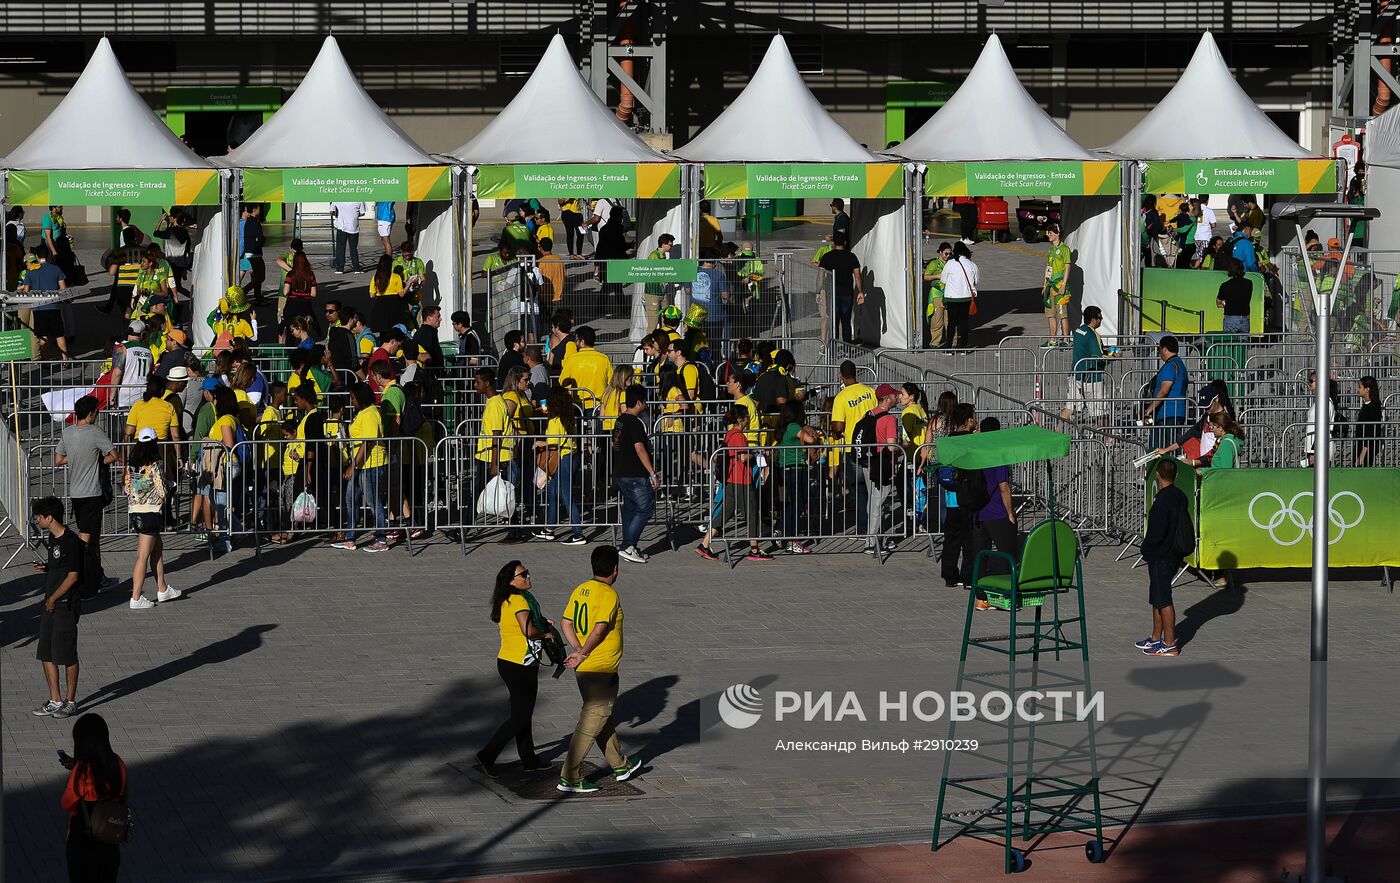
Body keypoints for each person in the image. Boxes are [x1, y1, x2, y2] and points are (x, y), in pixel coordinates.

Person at [558, 545, 641, 794]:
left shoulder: (581, 589)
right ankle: (570, 775)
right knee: (593, 720)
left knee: (603, 715)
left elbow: (566, 622)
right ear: (615, 569)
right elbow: (600, 629)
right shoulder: (608, 594)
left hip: (584, 668)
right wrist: (583, 652)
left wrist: (576, 649)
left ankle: (619, 764)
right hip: (600, 667)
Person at [476, 561, 557, 776]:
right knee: (520, 717)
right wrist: (545, 633)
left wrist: (541, 621)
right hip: (521, 666)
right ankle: (487, 756)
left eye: (528, 572)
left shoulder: (508, 599)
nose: (528, 577)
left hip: (511, 662)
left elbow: (526, 622)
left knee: (523, 713)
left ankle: (529, 759)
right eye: (523, 574)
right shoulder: (520, 601)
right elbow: (528, 631)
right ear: (511, 581)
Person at [56, 396, 118, 598]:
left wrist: (76, 458)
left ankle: (97, 575)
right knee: (87, 539)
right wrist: (99, 461)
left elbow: (58, 459)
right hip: (92, 493)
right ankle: (84, 579)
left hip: (76, 493)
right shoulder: (94, 432)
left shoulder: (68, 432)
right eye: (96, 413)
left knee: (90, 537)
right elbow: (114, 455)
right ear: (91, 414)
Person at [695, 406, 771, 562]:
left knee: (724, 514)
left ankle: (704, 544)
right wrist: (755, 452)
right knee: (751, 514)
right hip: (741, 479)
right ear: (740, 419)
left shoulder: (729, 434)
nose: (749, 420)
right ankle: (754, 549)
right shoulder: (739, 436)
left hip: (731, 479)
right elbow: (743, 457)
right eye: (747, 417)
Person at [31, 496, 84, 720]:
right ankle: (55, 699)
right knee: (46, 652)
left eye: (39, 517)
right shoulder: (53, 539)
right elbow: (58, 566)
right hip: (49, 603)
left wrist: (53, 599)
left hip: (64, 605)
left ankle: (70, 702)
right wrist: (46, 567)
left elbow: (73, 577)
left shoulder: (71, 542)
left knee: (67, 655)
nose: (37, 520)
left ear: (49, 518)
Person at [60, 712, 127, 882]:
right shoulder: (117, 762)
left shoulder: (81, 771)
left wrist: (75, 771)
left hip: (83, 842)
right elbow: (122, 792)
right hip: (110, 838)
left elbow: (66, 803)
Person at [124, 429, 181, 609]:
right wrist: (169, 486)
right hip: (150, 512)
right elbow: (161, 490)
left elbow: (126, 487)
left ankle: (163, 588)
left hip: (135, 510)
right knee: (143, 556)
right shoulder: (155, 464)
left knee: (157, 549)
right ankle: (136, 597)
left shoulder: (131, 464)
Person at [332, 383, 390, 553]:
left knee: (373, 501)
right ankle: (350, 538)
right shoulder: (362, 414)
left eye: (353, 397)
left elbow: (368, 441)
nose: (352, 400)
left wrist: (352, 465)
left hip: (371, 464)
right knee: (351, 499)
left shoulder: (371, 413)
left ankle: (381, 539)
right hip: (360, 464)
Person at [1139, 458, 1186, 657]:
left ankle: (1169, 643)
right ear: (1176, 476)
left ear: (1157, 475)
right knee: (1156, 596)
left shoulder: (1162, 501)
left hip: (1162, 554)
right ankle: (1156, 637)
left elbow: (1157, 532)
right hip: (1173, 552)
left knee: (1164, 598)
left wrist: (1146, 549)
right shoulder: (1179, 495)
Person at [969, 417, 1017, 611]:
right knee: (1007, 555)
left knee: (980, 556)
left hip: (977, 512)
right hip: (996, 511)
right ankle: (1004, 598)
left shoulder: (974, 452)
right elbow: (1003, 487)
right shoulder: (997, 454)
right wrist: (1010, 512)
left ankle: (981, 598)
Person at [829, 360, 876, 536]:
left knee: (858, 489)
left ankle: (863, 528)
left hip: (853, 448)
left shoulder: (841, 397)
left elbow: (839, 427)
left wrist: (834, 431)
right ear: (856, 373)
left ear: (841, 375)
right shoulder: (870, 392)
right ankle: (874, 527)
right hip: (872, 446)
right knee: (874, 489)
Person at [612, 385, 658, 564]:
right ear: (639, 402)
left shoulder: (620, 420)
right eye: (645, 400)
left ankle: (628, 546)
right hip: (634, 473)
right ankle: (628, 545)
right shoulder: (634, 422)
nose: (646, 403)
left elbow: (614, 444)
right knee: (645, 508)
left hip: (622, 472)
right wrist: (652, 472)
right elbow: (640, 448)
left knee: (630, 510)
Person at [536, 385, 586, 545]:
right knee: (552, 492)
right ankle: (549, 528)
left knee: (567, 496)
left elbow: (553, 442)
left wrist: (539, 442)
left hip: (564, 459)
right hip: (573, 457)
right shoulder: (569, 418)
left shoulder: (555, 421)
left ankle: (578, 533)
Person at [938, 403, 979, 588]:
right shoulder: (971, 440)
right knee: (969, 539)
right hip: (968, 497)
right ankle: (968, 576)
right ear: (969, 419)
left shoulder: (948, 439)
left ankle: (949, 575)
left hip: (951, 497)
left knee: (951, 538)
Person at [859, 384, 901, 555]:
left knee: (873, 501)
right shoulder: (889, 419)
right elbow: (891, 447)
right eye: (894, 395)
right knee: (879, 501)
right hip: (882, 465)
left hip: (868, 463)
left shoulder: (869, 414)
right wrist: (902, 447)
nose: (897, 397)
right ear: (887, 398)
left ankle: (877, 538)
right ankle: (872, 542)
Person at [19, 243, 72, 360]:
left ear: (37, 256)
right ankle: (65, 359)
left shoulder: (31, 271)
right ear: (48, 255)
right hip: (54, 306)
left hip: (38, 308)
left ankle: (45, 360)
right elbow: (63, 289)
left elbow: (27, 291)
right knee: (59, 334)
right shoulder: (56, 269)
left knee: (43, 335)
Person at [1060, 305, 1109, 426]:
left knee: (1069, 407)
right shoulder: (1093, 335)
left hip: (1076, 375)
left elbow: (1087, 350)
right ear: (1093, 319)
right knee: (1100, 411)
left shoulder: (1078, 330)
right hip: (1092, 379)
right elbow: (1098, 358)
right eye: (1100, 318)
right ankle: (1108, 440)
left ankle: (1056, 431)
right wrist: (1113, 358)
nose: (1101, 320)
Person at [1142, 335, 1188, 450]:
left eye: (1159, 349)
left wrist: (1149, 410)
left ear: (1165, 349)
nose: (1159, 353)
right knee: (1172, 447)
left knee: (1159, 449)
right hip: (1177, 412)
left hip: (1167, 414)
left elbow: (1163, 391)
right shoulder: (1180, 364)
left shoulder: (1169, 367)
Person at [818, 231, 862, 344]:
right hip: (847, 293)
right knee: (846, 321)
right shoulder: (851, 257)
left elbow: (820, 276)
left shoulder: (827, 257)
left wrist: (818, 291)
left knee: (834, 322)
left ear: (833, 243)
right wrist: (860, 291)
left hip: (832, 293)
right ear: (845, 242)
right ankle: (847, 350)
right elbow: (857, 276)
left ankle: (832, 350)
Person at [560, 325, 614, 404]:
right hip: (598, 404)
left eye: (576, 340)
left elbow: (562, 381)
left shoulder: (572, 359)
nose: (575, 343)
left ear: (582, 342)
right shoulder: (604, 359)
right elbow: (612, 382)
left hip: (578, 404)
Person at [941, 241, 978, 349]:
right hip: (966, 298)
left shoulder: (950, 264)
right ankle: (964, 348)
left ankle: (948, 348)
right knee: (964, 323)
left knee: (951, 323)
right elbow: (976, 280)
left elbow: (943, 280)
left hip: (952, 298)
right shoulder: (972, 264)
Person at [1041, 224, 1072, 347]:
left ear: (1057, 234)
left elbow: (1067, 267)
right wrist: (1044, 284)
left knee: (1062, 314)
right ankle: (1052, 340)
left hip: (1060, 286)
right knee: (1050, 314)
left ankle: (1065, 340)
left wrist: (1063, 284)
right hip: (1050, 286)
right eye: (1048, 233)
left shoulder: (1065, 249)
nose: (1048, 235)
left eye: (1050, 233)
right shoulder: (1050, 250)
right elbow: (1048, 268)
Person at [922, 241, 951, 348]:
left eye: (949, 254)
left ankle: (952, 341)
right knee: (937, 320)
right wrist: (938, 276)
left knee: (950, 320)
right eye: (946, 254)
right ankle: (935, 342)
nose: (948, 256)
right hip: (937, 294)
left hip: (949, 294)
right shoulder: (934, 263)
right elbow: (925, 277)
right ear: (940, 252)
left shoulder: (951, 263)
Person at [369, 254, 407, 333]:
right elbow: (401, 294)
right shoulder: (396, 277)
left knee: (382, 331)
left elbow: (372, 295)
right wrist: (409, 283)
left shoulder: (376, 277)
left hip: (380, 304)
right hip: (394, 304)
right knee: (394, 330)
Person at [642, 233, 676, 321]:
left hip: (661, 291)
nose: (671, 247)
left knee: (666, 318)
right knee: (653, 322)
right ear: (664, 244)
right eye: (670, 245)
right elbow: (651, 273)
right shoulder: (654, 255)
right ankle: (651, 335)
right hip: (652, 291)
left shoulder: (663, 256)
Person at [1215, 258, 1252, 335]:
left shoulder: (1225, 285)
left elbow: (1218, 303)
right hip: (1245, 318)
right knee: (1243, 345)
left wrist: (1225, 304)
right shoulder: (1249, 283)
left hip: (1231, 319)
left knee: (1229, 343)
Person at [240, 203, 267, 305]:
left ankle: (257, 296)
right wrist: (262, 241)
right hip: (254, 253)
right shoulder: (254, 222)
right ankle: (243, 292)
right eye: (259, 207)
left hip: (251, 252)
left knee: (257, 276)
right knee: (260, 277)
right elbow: (260, 238)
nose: (260, 209)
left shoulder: (249, 222)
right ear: (255, 210)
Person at [331, 201, 367, 274]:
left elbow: (332, 211)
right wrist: (354, 215)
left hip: (342, 226)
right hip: (353, 227)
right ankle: (356, 268)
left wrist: (340, 214)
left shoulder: (338, 198)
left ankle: (340, 269)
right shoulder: (359, 199)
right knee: (353, 248)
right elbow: (362, 212)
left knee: (340, 248)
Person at [1355, 376, 1383, 467]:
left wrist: (1364, 451)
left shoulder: (1374, 407)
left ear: (1367, 389)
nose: (1357, 389)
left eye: (1360, 387)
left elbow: (1372, 430)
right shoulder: (1367, 405)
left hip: (1368, 446)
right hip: (1362, 444)